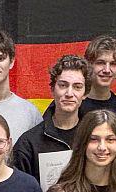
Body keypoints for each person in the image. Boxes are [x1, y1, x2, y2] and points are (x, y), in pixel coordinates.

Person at [45, 35, 116, 168]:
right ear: (89, 65)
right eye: (100, 62)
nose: (107, 70)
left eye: (113, 64)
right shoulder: (69, 103)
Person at [13, 54, 91, 182]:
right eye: (63, 85)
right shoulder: (29, 143)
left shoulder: (94, 136)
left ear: (85, 93)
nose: (69, 94)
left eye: (77, 87)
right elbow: (21, 191)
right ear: (52, 89)